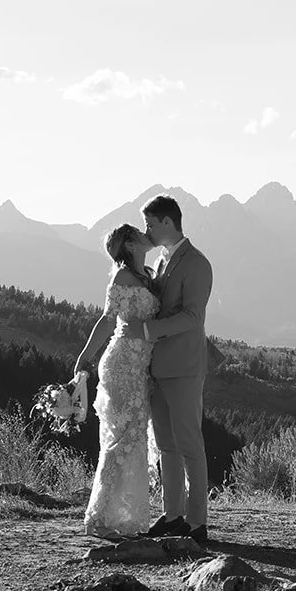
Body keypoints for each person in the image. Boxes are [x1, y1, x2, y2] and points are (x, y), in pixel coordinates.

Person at [73, 223, 159, 539]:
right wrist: (84, 357)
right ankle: (97, 517)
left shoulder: (147, 275)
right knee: (123, 437)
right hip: (121, 364)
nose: (145, 233)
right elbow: (107, 320)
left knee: (134, 436)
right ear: (130, 243)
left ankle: (121, 515)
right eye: (138, 232)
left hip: (141, 368)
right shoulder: (122, 277)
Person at [137, 194, 213, 545]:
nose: (146, 231)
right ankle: (172, 515)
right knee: (166, 445)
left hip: (184, 366)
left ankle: (198, 522)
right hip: (158, 367)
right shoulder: (163, 262)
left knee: (190, 444)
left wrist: (150, 331)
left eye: (150, 224)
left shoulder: (197, 264)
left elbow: (193, 317)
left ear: (167, 222)